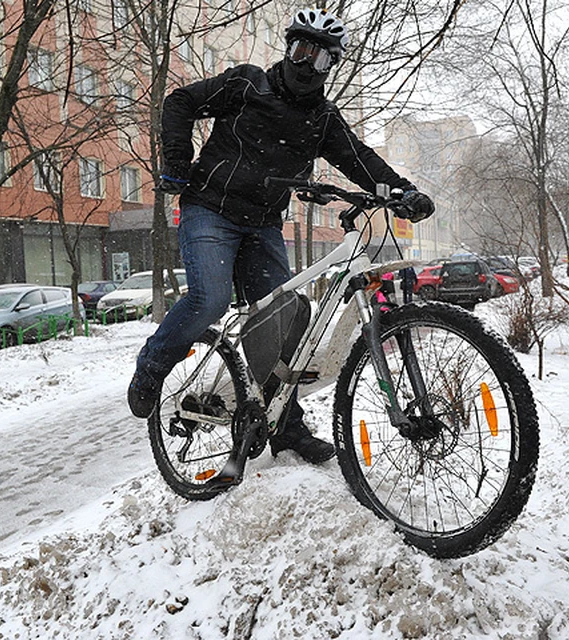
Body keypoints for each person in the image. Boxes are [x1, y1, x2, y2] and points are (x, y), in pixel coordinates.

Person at [128, 8, 435, 464]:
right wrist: (176, 160)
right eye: (300, 50)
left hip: (263, 225)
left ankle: (283, 426)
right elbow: (179, 103)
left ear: (331, 66)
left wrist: (404, 191)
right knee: (210, 300)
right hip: (210, 209)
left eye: (320, 58)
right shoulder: (247, 84)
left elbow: (361, 159)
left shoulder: (323, 119)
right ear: (288, 48)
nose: (307, 64)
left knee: (285, 314)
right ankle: (152, 366)